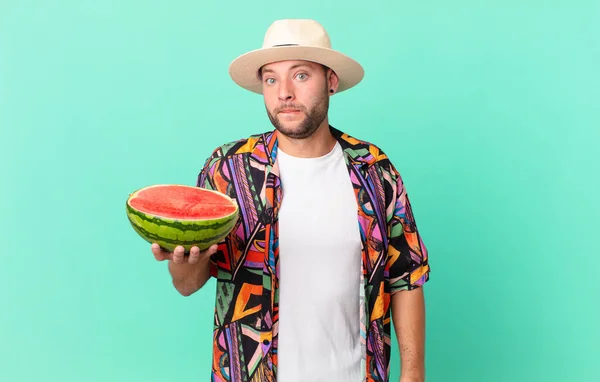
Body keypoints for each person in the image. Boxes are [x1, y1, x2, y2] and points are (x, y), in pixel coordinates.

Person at [151, 19, 430, 382]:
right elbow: (187, 284)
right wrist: (184, 258)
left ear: (331, 80)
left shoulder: (375, 169)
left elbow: (406, 277)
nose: (284, 92)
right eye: (271, 79)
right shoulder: (228, 170)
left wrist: (413, 375)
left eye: (300, 75)